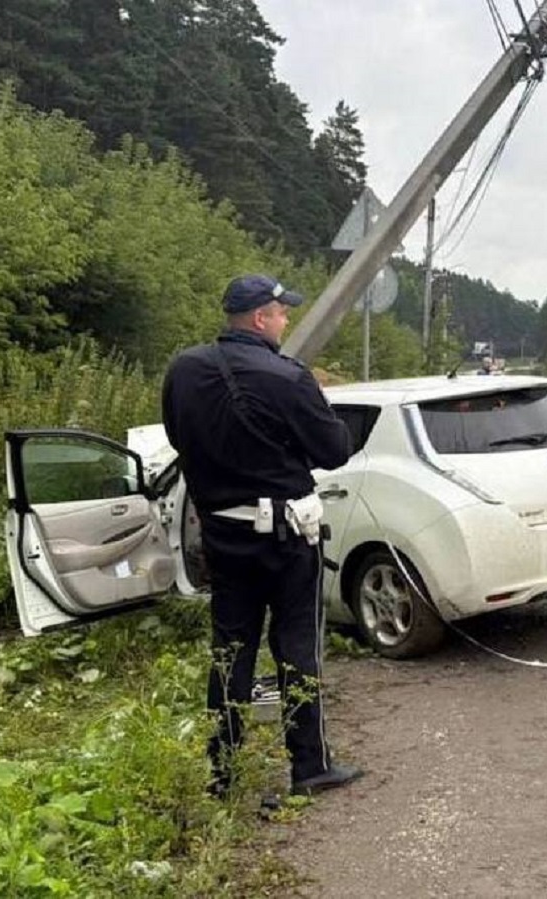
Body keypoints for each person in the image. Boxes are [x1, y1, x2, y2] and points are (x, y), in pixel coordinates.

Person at [162, 273, 362, 797]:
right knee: (297, 645)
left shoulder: (184, 370)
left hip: (222, 535)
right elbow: (334, 449)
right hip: (287, 537)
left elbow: (176, 435)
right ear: (259, 318)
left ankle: (222, 772)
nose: (286, 319)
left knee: (230, 650)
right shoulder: (288, 377)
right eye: (281, 312)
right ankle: (310, 767)